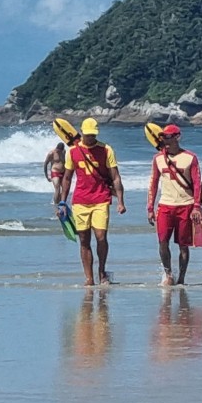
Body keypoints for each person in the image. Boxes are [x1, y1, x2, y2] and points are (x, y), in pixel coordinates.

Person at [57, 118, 126, 286]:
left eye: (93, 135)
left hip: (101, 199)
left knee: (101, 237)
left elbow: (115, 177)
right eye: (87, 135)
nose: (90, 138)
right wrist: (62, 202)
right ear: (82, 133)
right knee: (83, 239)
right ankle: (89, 278)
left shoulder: (106, 150)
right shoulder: (73, 151)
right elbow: (67, 178)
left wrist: (121, 201)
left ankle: (102, 272)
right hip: (80, 200)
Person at [146, 124, 202, 286]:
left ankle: (181, 279)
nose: (165, 140)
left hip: (185, 206)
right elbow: (153, 184)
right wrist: (150, 208)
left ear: (177, 137)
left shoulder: (190, 158)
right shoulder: (158, 158)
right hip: (165, 206)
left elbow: (197, 184)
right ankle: (168, 274)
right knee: (162, 242)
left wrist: (196, 207)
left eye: (168, 137)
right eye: (163, 137)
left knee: (183, 246)